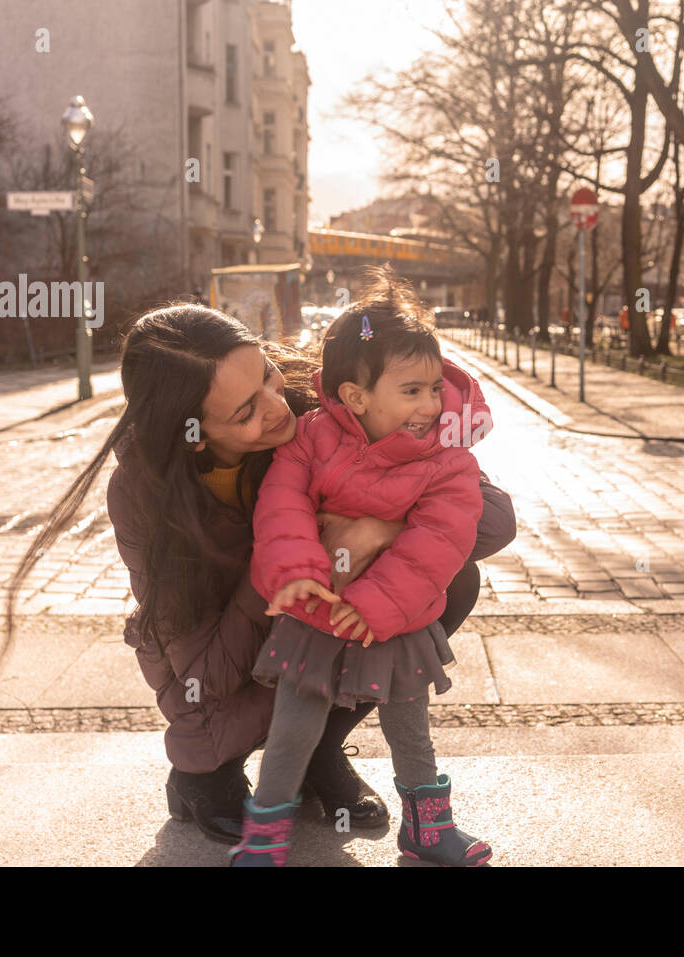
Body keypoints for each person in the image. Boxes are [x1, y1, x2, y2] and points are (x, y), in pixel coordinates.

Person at [2, 298, 515, 847]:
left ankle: (320, 747)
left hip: (316, 611)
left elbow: (489, 516)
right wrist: (276, 572)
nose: (276, 408)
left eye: (267, 377)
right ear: (193, 433)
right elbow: (190, 653)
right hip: (226, 636)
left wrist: (376, 531)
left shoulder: (322, 407)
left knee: (449, 580)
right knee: (238, 690)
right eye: (245, 411)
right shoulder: (144, 494)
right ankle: (212, 771)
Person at [231, 269, 494, 867]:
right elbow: (282, 506)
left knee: (409, 728)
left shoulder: (448, 460)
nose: (430, 404)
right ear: (355, 396)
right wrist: (294, 570)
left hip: (395, 620)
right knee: (293, 726)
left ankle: (427, 828)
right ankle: (264, 837)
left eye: (434, 388)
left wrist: (374, 604)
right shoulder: (310, 440)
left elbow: (441, 540)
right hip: (316, 612)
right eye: (412, 391)